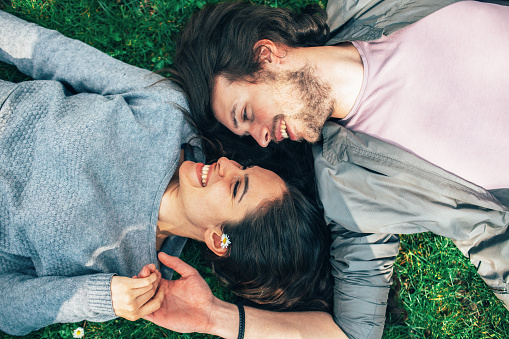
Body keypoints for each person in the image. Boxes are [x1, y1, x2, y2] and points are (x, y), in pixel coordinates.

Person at [151, 0, 509, 338]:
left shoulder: (363, 5)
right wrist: (215, 317)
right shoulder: (349, 192)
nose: (261, 141)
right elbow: (353, 333)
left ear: (267, 55)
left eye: (245, 114)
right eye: (245, 133)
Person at [0, 10, 333, 336]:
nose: (226, 165)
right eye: (243, 167)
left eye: (236, 187)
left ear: (218, 239)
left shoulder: (133, 279)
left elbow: (7, 306)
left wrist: (100, 297)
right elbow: (56, 54)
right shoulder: (168, 113)